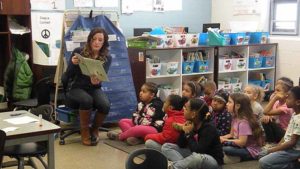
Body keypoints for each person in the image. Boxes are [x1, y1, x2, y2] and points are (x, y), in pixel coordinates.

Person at [64, 27, 111, 146]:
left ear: (104, 42)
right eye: (94, 39)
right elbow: (67, 75)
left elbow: (101, 79)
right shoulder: (79, 51)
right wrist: (73, 64)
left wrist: (97, 80)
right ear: (89, 40)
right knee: (86, 100)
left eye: (100, 40)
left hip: (94, 88)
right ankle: (84, 131)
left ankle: (94, 129)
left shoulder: (107, 58)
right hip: (76, 87)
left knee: (105, 105)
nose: (96, 42)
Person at [161, 98, 224, 169]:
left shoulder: (209, 128)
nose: (183, 109)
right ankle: (182, 166)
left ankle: (174, 167)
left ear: (193, 114)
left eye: (186, 108)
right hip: (195, 156)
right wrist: (184, 130)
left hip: (211, 161)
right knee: (166, 146)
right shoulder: (191, 124)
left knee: (197, 157)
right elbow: (181, 144)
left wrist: (188, 134)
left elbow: (199, 151)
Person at [259, 86, 300, 169]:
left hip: (294, 150)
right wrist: (277, 147)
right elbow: (286, 136)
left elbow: (292, 142)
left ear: (298, 102)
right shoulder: (294, 114)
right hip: (288, 147)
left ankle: (293, 165)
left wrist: (271, 150)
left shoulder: (299, 119)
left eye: (288, 98)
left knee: (263, 162)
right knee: (263, 157)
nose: (286, 99)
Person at [221, 93, 263, 161]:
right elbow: (231, 134)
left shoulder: (244, 122)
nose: (226, 104)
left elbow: (241, 142)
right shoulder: (235, 118)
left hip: (250, 150)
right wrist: (221, 138)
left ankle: (241, 158)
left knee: (225, 149)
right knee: (220, 144)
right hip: (241, 146)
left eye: (229, 102)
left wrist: (225, 141)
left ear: (238, 106)